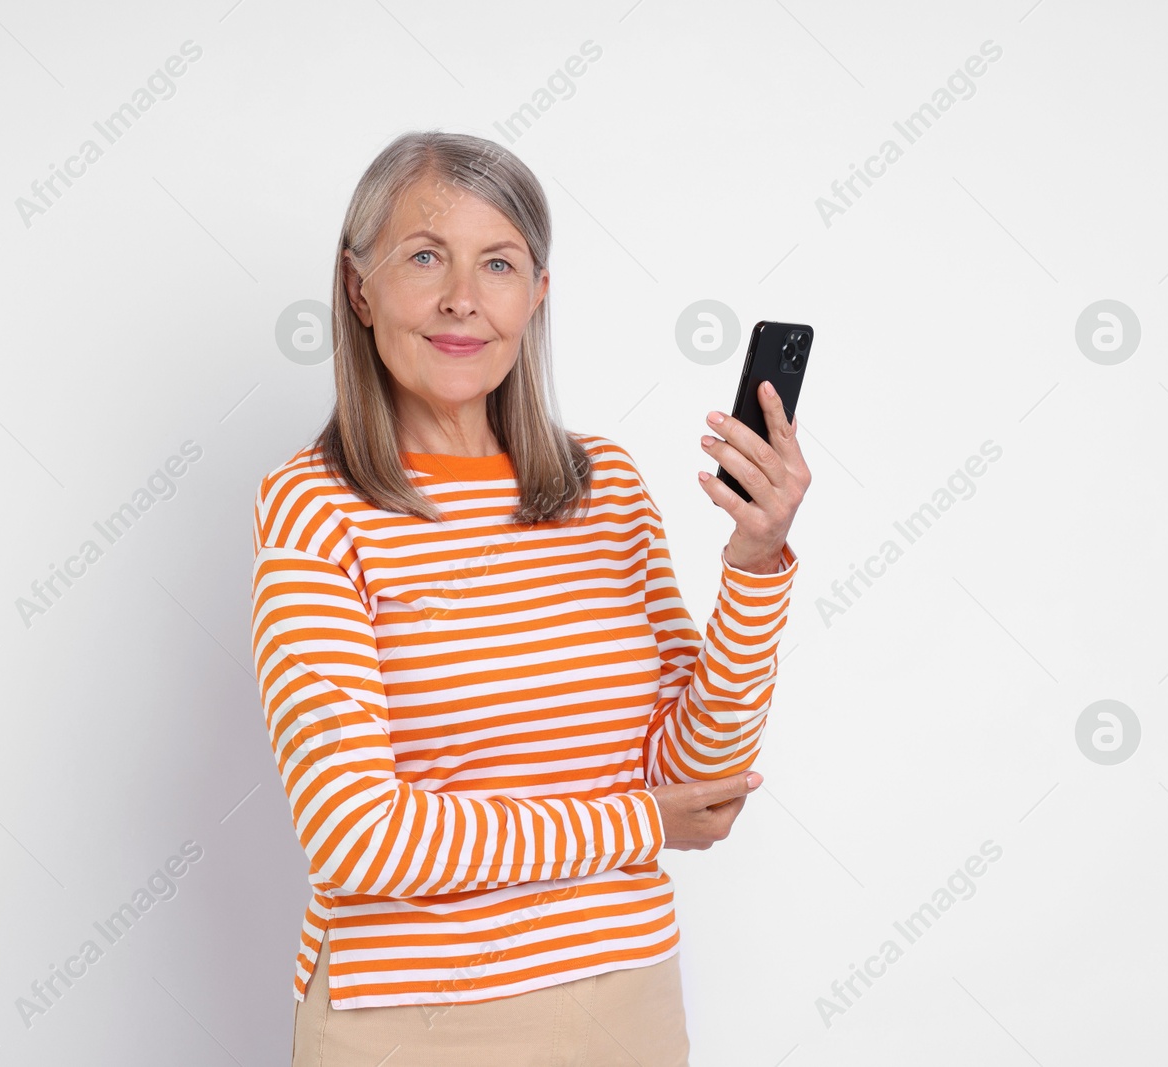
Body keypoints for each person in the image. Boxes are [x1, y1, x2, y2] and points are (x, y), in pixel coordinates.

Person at [251, 129, 808, 1066]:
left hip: (623, 1002)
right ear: (360, 288)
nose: (463, 297)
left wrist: (757, 560)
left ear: (537, 294)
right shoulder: (314, 508)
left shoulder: (606, 488)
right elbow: (361, 837)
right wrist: (636, 823)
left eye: (498, 262)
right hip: (413, 1021)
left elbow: (695, 776)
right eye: (425, 255)